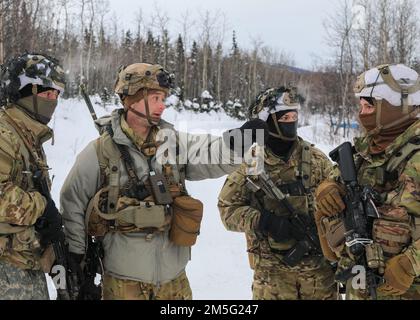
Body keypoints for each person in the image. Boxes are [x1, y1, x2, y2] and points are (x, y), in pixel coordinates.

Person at [60, 62, 254, 300]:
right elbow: (72, 203)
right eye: (155, 98)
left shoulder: (172, 143)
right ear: (132, 98)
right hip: (123, 283)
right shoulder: (99, 153)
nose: (162, 106)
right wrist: (78, 260)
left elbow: (212, 153)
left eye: (163, 99)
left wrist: (239, 141)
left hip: (174, 282)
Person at [217, 87, 337, 300]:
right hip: (272, 280)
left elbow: (339, 204)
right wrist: (265, 221)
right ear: (267, 121)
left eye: (294, 116)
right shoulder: (250, 163)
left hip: (320, 278)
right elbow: (227, 210)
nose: (292, 122)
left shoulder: (317, 160)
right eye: (285, 117)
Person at [315, 63, 420, 300]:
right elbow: (330, 183)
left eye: (369, 106)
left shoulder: (416, 157)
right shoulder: (363, 153)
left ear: (394, 106)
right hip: (359, 285)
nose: (362, 113)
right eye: (360, 106)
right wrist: (326, 189)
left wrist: (411, 262)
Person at [0, 52, 66, 299]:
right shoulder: (4, 134)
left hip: (23, 266)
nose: (53, 100)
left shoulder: (27, 135)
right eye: (46, 93)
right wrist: (41, 207)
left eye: (56, 94)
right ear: (25, 92)